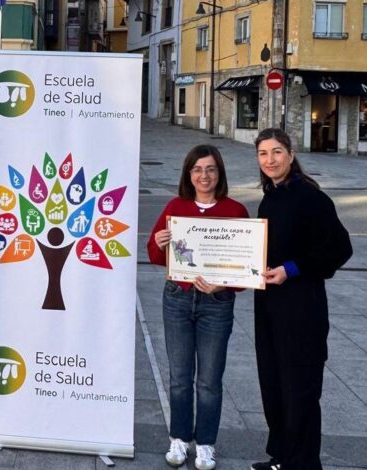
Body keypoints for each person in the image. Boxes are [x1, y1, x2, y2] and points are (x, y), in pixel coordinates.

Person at [251, 129, 352, 470]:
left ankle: (304, 464)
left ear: (291, 155)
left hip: (302, 308)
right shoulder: (270, 198)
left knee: (300, 390)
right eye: (263, 153)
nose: (270, 160)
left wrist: (291, 270)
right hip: (270, 307)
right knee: (274, 385)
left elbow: (339, 248)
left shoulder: (311, 198)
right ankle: (282, 457)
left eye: (277, 151)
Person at [147, 144, 249, 470]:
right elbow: (154, 255)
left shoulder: (235, 211)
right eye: (197, 170)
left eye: (210, 169)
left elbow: (246, 269)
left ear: (220, 173)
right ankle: (179, 438)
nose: (204, 176)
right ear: (188, 175)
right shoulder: (176, 207)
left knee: (209, 380)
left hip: (216, 303)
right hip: (178, 298)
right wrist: (158, 243)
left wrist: (225, 283)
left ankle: (205, 443)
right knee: (179, 377)